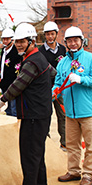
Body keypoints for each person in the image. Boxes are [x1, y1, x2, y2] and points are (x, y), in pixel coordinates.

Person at [0, 23, 55, 185]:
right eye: (17, 41)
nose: (19, 44)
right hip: (40, 113)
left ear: (32, 41)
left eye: (23, 41)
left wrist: (2, 100)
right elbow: (52, 73)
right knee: (37, 154)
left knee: (29, 155)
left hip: (33, 115)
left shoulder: (32, 61)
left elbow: (18, 85)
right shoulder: (38, 57)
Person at [53, 26, 92, 185]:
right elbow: (58, 81)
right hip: (69, 111)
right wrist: (54, 89)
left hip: (89, 111)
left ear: (82, 41)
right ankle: (74, 171)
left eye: (76, 40)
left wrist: (82, 79)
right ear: (66, 43)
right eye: (69, 40)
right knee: (72, 144)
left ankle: (88, 174)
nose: (73, 43)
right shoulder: (63, 62)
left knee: (91, 146)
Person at [39, 21, 67, 150]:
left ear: (56, 34)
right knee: (46, 115)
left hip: (60, 88)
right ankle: (47, 142)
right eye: (47, 34)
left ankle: (64, 142)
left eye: (52, 34)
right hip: (45, 89)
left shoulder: (62, 49)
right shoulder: (40, 51)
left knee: (62, 115)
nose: (50, 37)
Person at [0, 28, 21, 117]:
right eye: (3, 39)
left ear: (12, 39)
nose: (5, 41)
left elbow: (13, 72)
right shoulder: (4, 50)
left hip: (11, 84)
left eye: (7, 39)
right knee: (7, 108)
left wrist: (2, 84)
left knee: (13, 108)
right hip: (4, 82)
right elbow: (3, 62)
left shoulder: (15, 52)